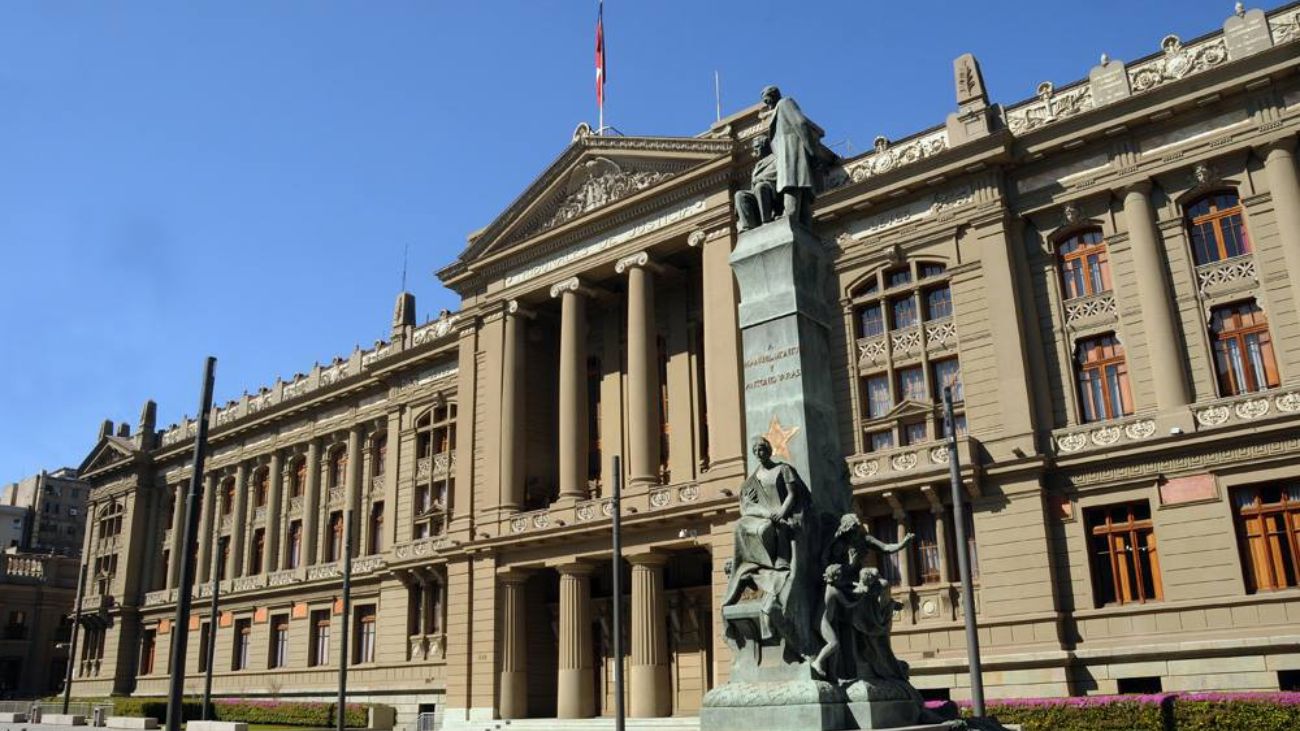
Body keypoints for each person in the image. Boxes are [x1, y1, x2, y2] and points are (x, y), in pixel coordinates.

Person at [721, 437, 810, 608]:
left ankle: (779, 562)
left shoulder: (783, 469)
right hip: (764, 514)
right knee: (740, 526)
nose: (759, 453)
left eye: (761, 449)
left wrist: (782, 512)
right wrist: (758, 509)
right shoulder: (753, 478)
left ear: (769, 451)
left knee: (767, 529)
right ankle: (750, 566)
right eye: (756, 451)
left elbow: (792, 494)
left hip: (782, 513)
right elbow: (747, 503)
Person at [761, 85, 835, 227]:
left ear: (774, 95)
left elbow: (800, 123)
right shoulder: (779, 108)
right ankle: (803, 222)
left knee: (791, 182)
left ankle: (790, 214)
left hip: (791, 152)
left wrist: (812, 152)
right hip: (789, 152)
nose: (766, 104)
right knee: (799, 186)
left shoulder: (785, 103)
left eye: (767, 100)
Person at [811, 563, 860, 679]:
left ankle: (832, 673)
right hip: (824, 621)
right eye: (840, 575)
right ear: (836, 577)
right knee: (834, 643)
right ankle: (817, 662)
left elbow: (844, 584)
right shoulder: (834, 590)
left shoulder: (826, 586)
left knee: (834, 648)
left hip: (820, 620)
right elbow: (848, 604)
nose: (842, 577)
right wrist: (861, 598)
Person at [734, 134, 782, 231]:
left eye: (757, 147)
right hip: (758, 194)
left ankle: (766, 221)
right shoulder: (757, 166)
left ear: (764, 146)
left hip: (774, 191)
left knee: (760, 186)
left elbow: (778, 173)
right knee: (740, 195)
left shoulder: (776, 159)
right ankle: (748, 226)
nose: (754, 151)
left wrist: (761, 179)